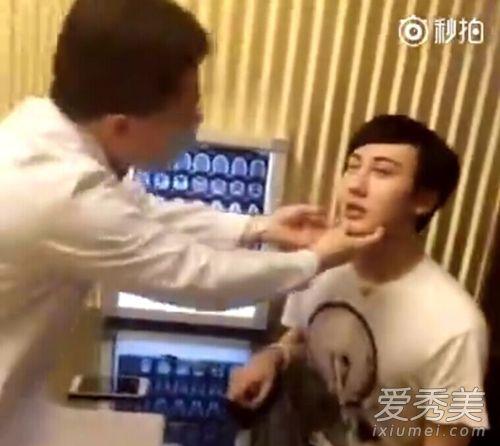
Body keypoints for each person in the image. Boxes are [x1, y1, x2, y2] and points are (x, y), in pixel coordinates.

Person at [0, 0, 385, 366]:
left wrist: (259, 227)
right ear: (121, 126)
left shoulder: (47, 134)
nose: (197, 121)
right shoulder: (60, 194)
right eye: (186, 113)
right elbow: (203, 278)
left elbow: (141, 212)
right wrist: (315, 259)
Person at [228, 115, 489, 446]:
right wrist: (274, 356)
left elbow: (448, 442)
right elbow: (304, 336)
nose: (356, 185)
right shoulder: (319, 267)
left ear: (423, 199)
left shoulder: (457, 327)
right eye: (352, 167)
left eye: (382, 172)